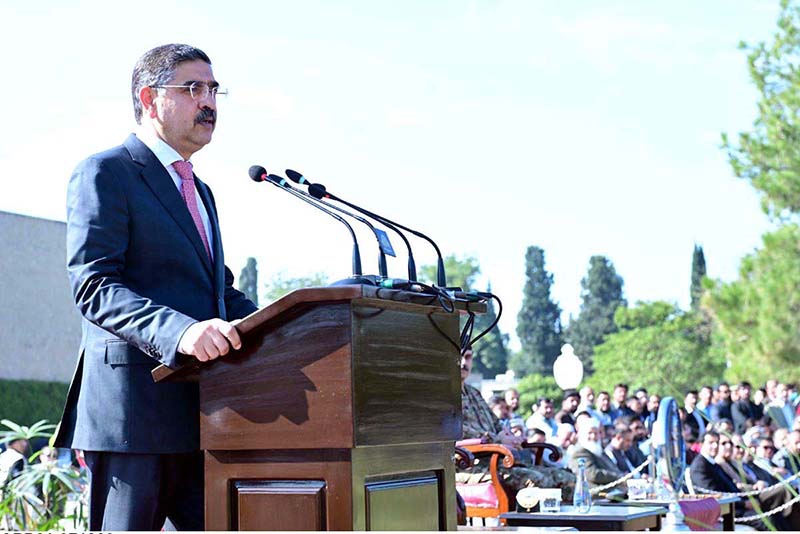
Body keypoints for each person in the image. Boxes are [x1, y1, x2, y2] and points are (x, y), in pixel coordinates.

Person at [53, 44, 259, 531]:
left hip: (205, 414)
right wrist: (181, 333)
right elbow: (94, 284)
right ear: (149, 98)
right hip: (134, 417)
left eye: (213, 89)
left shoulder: (200, 190)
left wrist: (296, 329)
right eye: (193, 88)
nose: (209, 101)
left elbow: (218, 293)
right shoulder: (106, 172)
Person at [458, 348, 575, 500]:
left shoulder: (474, 393)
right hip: (472, 465)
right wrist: (497, 440)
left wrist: (512, 437)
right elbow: (458, 433)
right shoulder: (444, 394)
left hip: (501, 461)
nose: (463, 363)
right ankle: (529, 524)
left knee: (567, 479)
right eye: (459, 358)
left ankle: (568, 524)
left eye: (467, 357)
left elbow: (497, 424)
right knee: (538, 481)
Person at [570, 416, 626, 492]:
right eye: (590, 433)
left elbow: (613, 469)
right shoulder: (580, 453)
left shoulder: (599, 451)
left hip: (613, 491)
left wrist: (624, 476)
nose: (593, 437)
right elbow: (593, 474)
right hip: (594, 495)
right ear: (582, 434)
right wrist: (619, 477)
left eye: (596, 433)